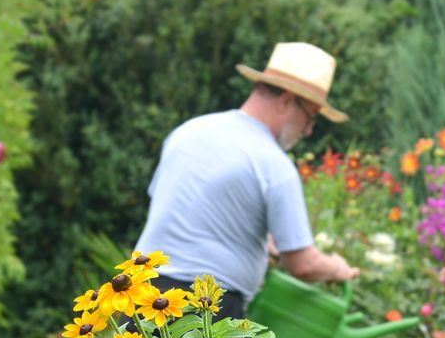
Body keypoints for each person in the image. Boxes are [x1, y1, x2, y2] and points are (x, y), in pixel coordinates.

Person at [133, 42, 359, 318]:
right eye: (310, 117)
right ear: (287, 100)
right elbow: (304, 265)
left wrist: (262, 243)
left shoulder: (190, 131)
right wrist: (338, 269)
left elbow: (183, 208)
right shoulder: (273, 164)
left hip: (140, 299)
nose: (309, 130)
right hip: (204, 311)